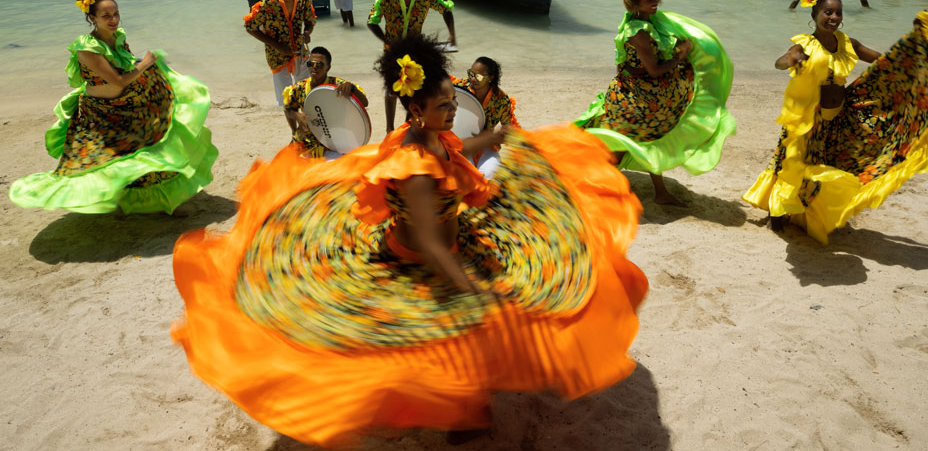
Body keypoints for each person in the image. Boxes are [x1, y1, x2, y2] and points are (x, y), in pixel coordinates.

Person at [172, 33, 648, 448]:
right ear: (416, 109)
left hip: (451, 241)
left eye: (453, 102)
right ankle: (464, 415)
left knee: (471, 331)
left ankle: (467, 409)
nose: (454, 110)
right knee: (447, 336)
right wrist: (469, 287)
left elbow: (459, 149)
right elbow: (434, 247)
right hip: (419, 260)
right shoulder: (415, 167)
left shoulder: (426, 135)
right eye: (445, 105)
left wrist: (495, 137)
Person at [743, 0, 928, 243]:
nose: (833, 17)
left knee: (826, 165)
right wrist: (793, 59)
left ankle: (809, 211)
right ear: (814, 14)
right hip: (807, 119)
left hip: (839, 117)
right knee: (791, 163)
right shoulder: (805, 44)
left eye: (838, 13)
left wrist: (915, 51)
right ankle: (776, 213)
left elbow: (884, 62)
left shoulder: (849, 43)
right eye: (827, 12)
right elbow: (780, 62)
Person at [10, 0, 218, 215]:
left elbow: (126, 69)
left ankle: (156, 203)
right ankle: (118, 202)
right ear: (92, 18)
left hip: (128, 107)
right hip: (99, 114)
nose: (113, 20)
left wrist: (149, 67)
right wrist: (146, 63)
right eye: (106, 16)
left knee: (149, 152)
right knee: (102, 163)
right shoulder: (86, 47)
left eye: (116, 14)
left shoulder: (118, 36)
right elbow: (118, 80)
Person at [575, 0, 736, 205]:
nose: (655, 4)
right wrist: (681, 57)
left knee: (651, 142)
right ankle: (594, 190)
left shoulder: (650, 22)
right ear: (636, 3)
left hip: (646, 96)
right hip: (636, 99)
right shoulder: (639, 32)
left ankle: (659, 193)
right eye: (649, 0)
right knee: (625, 147)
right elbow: (655, 71)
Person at [368, 0, 457, 132]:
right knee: (391, 91)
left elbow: (446, 10)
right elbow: (372, 22)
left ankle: (409, 125)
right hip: (393, 52)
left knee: (415, 90)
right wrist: (386, 40)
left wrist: (452, 34)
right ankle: (389, 129)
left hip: (415, 50)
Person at [245, 0, 316, 106]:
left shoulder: (304, 0)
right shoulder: (268, 4)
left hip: (300, 51)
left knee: (306, 91)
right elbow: (250, 27)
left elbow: (310, 21)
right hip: (276, 55)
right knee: (285, 99)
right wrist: (276, 45)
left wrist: (307, 32)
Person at [282, 46, 369, 159]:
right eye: (310, 64)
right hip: (305, 143)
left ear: (328, 67)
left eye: (319, 65)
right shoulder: (300, 87)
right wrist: (295, 121)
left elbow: (364, 103)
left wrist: (352, 88)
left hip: (332, 144)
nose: (314, 68)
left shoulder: (337, 85)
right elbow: (288, 109)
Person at [452, 56, 522, 179]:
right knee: (464, 173)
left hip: (486, 146)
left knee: (492, 172)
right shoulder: (459, 88)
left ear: (490, 78)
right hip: (461, 143)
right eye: (471, 73)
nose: (472, 79)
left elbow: (507, 127)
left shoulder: (501, 99)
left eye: (478, 76)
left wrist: (501, 134)